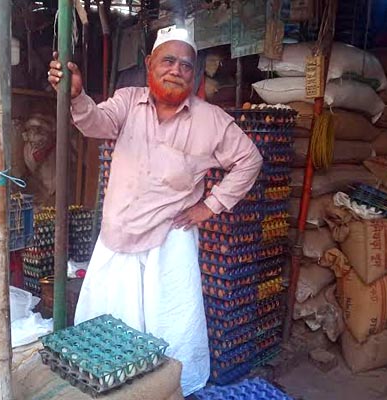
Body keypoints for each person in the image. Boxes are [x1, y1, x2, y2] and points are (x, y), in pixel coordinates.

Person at [47, 27, 263, 395]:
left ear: (193, 76)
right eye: (168, 60)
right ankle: (107, 383)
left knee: (172, 327)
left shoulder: (211, 120)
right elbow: (95, 123)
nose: (176, 70)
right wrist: (77, 96)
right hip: (119, 234)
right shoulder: (128, 101)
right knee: (108, 323)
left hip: (171, 240)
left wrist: (209, 207)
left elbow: (249, 161)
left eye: (186, 65)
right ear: (149, 65)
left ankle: (169, 389)